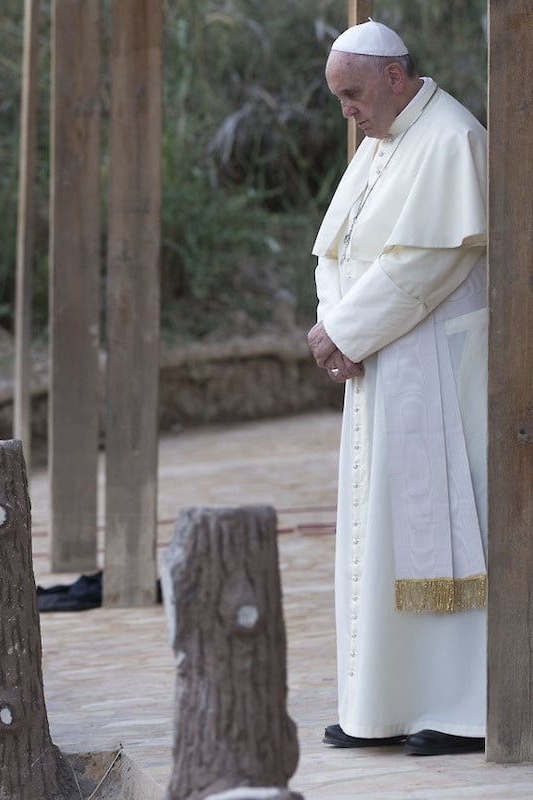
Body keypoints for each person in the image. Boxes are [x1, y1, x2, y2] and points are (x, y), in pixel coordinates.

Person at [307, 19, 489, 757]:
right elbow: (335, 250)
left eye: (352, 93)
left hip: (437, 376)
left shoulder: (451, 137)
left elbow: (427, 264)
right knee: (376, 539)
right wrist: (336, 327)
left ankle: (458, 710)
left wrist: (344, 333)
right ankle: (379, 706)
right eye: (338, 97)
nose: (346, 110)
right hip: (381, 365)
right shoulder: (382, 142)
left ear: (392, 75)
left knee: (438, 537)